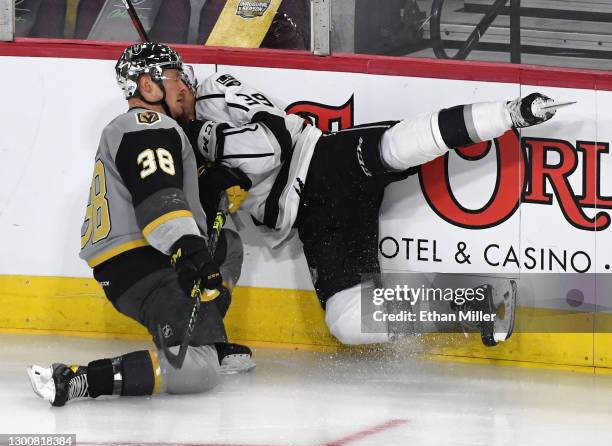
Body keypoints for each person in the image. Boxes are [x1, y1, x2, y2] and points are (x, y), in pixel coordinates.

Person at [178, 56, 561, 347]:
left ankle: (510, 113)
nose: (176, 88)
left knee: (396, 146)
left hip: (321, 160)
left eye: (171, 75)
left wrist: (207, 141)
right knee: (345, 320)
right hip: (312, 217)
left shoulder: (214, 89)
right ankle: (475, 303)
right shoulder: (172, 150)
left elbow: (272, 142)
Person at [27, 43, 254, 408]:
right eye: (177, 78)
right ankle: (80, 379)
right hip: (144, 262)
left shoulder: (149, 130)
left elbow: (164, 189)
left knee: (226, 245)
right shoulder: (146, 124)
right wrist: (188, 251)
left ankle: (204, 332)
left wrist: (207, 184)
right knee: (198, 370)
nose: (185, 88)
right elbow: (159, 197)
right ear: (148, 86)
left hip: (138, 257)